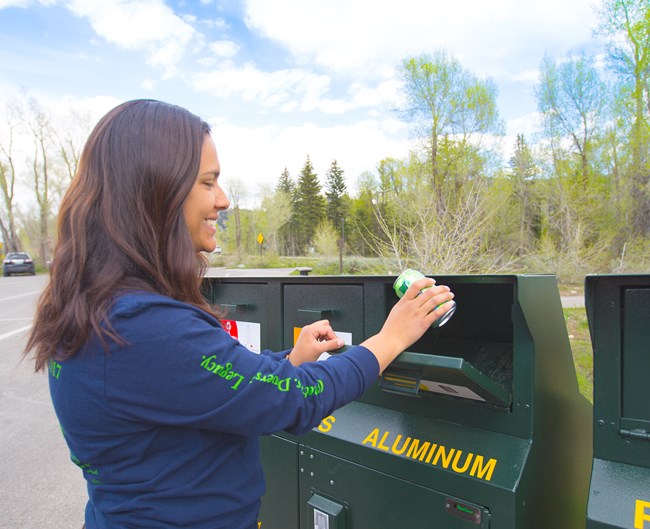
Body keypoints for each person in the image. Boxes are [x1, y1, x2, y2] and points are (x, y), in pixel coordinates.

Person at [24, 99, 454, 529]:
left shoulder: (102, 308)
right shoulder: (141, 326)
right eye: (208, 182)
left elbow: (206, 384)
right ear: (155, 191)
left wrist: (290, 361)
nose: (224, 200)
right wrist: (391, 338)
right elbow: (294, 399)